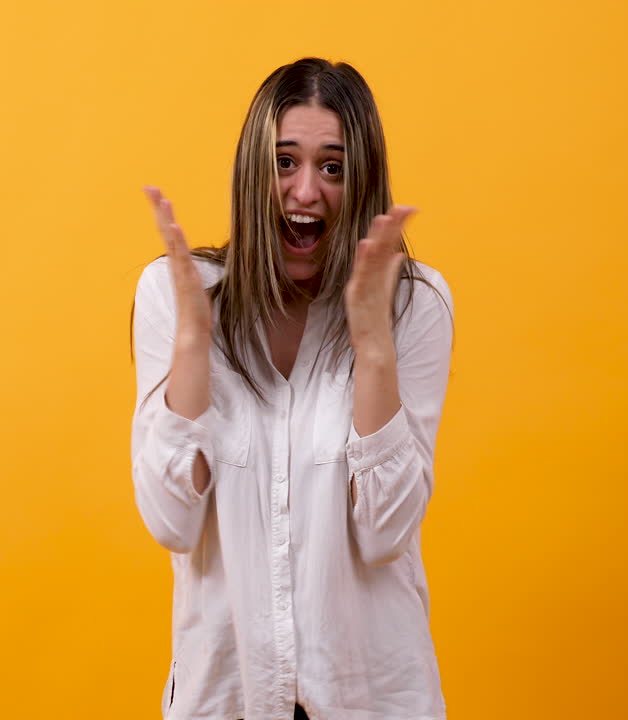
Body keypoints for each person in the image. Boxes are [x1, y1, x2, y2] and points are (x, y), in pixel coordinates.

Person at [131, 58, 454, 720]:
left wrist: (371, 345)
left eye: (333, 167)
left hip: (375, 701)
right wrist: (194, 339)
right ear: (255, 171)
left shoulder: (414, 306)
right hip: (226, 699)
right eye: (285, 161)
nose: (306, 190)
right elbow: (170, 520)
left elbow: (387, 531)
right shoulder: (176, 296)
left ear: (361, 181)